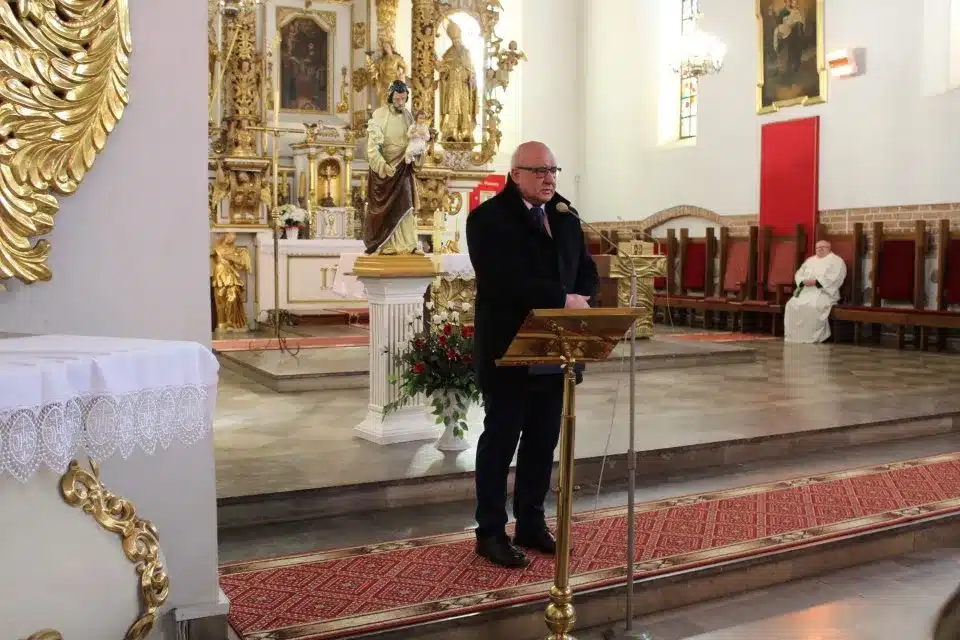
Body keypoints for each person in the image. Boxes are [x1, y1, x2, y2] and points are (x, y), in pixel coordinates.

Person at [466, 141, 598, 568]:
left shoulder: (564, 215)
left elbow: (587, 270)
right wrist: (562, 299)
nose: (549, 178)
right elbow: (501, 281)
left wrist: (582, 298)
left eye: (553, 170)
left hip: (556, 347)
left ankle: (531, 522)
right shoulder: (488, 219)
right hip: (508, 349)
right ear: (515, 174)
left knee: (542, 442)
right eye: (539, 171)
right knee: (500, 442)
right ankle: (490, 532)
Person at [362, 80, 421, 255]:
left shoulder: (408, 115)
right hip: (384, 171)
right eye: (397, 99)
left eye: (403, 98)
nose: (401, 102)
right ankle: (385, 244)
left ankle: (409, 244)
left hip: (403, 167)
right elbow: (373, 147)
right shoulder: (379, 115)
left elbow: (414, 140)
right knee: (385, 210)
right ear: (390, 97)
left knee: (406, 205)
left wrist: (420, 146)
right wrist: (382, 165)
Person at [784, 240, 847, 343]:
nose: (820, 249)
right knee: (791, 305)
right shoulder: (810, 260)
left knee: (813, 306)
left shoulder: (836, 261)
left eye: (823, 247)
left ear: (829, 248)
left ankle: (812, 337)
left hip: (824, 293)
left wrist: (816, 282)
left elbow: (835, 278)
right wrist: (803, 281)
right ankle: (794, 337)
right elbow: (799, 274)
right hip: (805, 292)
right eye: (818, 247)